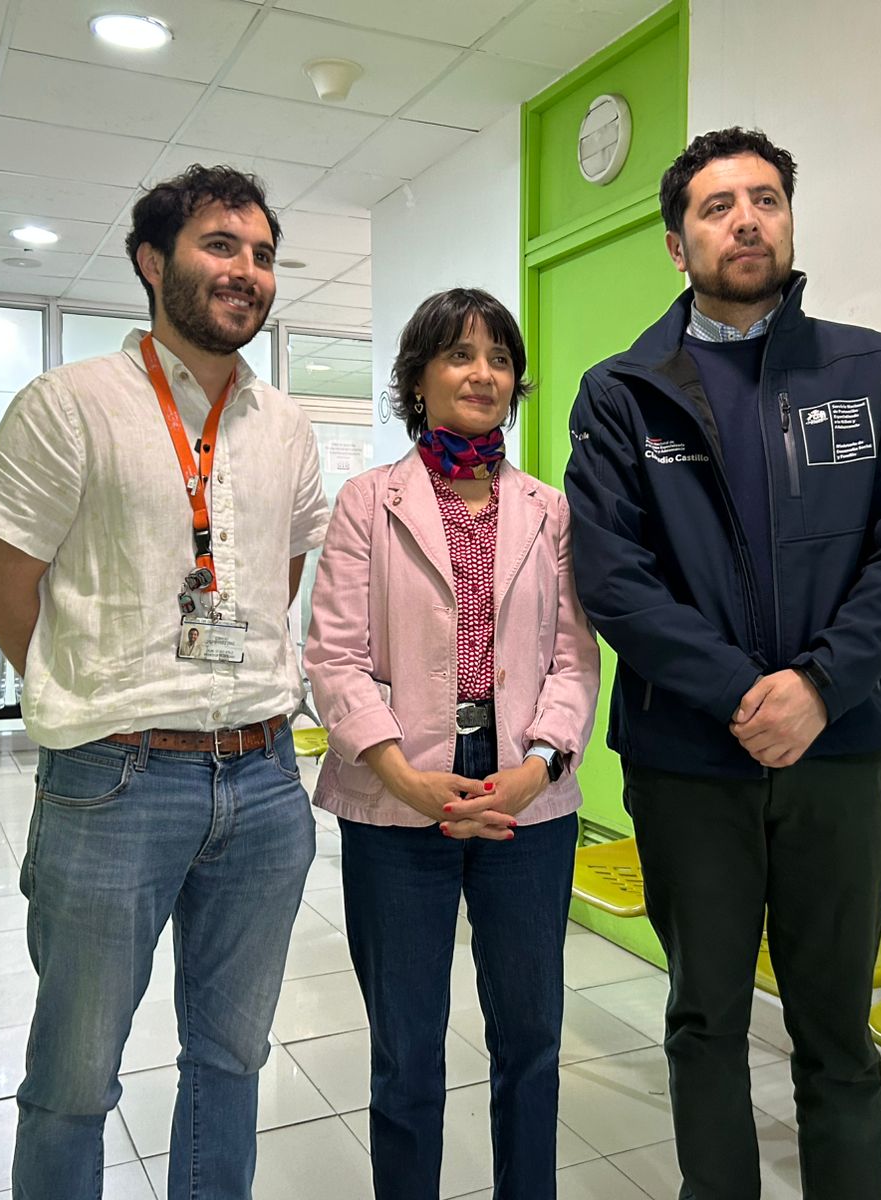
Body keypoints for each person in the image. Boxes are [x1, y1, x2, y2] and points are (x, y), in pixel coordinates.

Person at [563, 128, 881, 1200]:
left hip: (838, 749)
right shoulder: (621, 391)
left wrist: (819, 686)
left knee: (837, 1029)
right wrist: (742, 693)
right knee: (705, 1018)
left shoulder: (867, 368)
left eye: (766, 199)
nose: (746, 220)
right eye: (717, 206)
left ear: (788, 219)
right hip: (690, 759)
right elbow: (614, 578)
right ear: (676, 243)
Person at [0, 164, 328, 1200]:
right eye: (220, 244)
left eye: (262, 254)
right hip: (113, 782)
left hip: (264, 781)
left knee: (232, 1059)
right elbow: (7, 592)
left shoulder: (287, 426)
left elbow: (276, 582)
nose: (247, 270)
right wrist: (97, 697)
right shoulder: (68, 405)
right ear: (150, 261)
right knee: (74, 1077)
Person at [305, 288, 600, 1200]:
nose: (483, 374)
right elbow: (334, 656)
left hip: (525, 798)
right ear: (419, 380)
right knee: (406, 1049)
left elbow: (574, 658)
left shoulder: (549, 510)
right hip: (397, 796)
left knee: (531, 1041)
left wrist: (538, 766)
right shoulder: (368, 502)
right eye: (460, 355)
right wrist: (402, 777)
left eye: (500, 359)